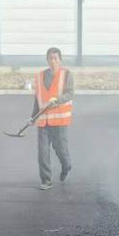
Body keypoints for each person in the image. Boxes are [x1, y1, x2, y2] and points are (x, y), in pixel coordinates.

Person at [34, 47, 74, 189]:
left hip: (59, 120)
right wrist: (33, 116)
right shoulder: (39, 76)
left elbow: (70, 93)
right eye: (50, 58)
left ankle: (66, 166)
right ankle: (46, 180)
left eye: (55, 58)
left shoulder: (66, 74)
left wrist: (56, 100)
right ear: (47, 59)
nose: (53, 61)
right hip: (43, 120)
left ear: (60, 59)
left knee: (60, 148)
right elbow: (37, 98)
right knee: (42, 151)